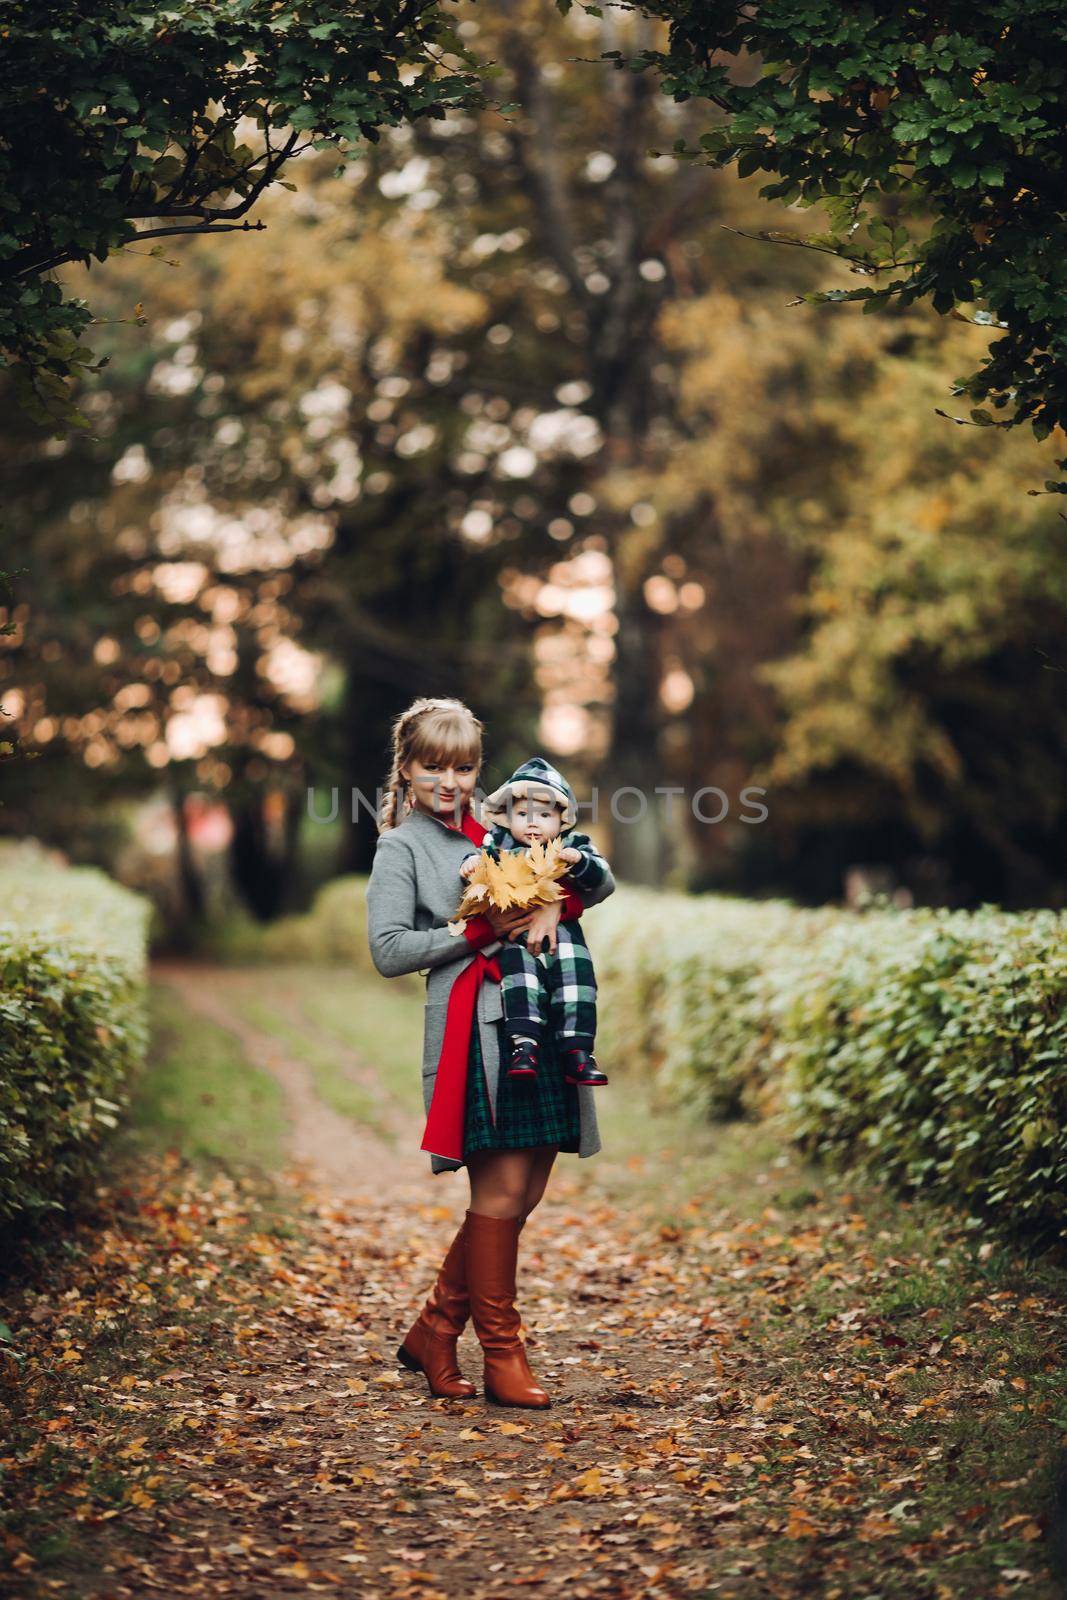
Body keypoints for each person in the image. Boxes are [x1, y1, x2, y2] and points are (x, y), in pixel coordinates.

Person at [365, 698, 616, 1409]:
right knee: (500, 1193)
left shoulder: (504, 822)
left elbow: (591, 878)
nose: (450, 781)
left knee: (524, 1191)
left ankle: (436, 1328)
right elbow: (388, 951)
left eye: (464, 766)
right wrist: (475, 930)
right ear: (407, 769)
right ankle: (503, 1353)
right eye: (434, 766)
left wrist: (554, 906)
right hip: (477, 1034)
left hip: (539, 1023)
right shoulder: (402, 848)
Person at [457, 755, 609, 1088]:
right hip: (516, 937)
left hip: (563, 936)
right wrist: (471, 865)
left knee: (576, 985)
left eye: (543, 815)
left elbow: (600, 876)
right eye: (522, 815)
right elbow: (481, 869)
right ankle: (523, 1047)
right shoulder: (496, 845)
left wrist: (579, 861)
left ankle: (579, 1051)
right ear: (507, 817)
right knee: (519, 984)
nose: (533, 823)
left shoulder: (571, 845)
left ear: (561, 818)